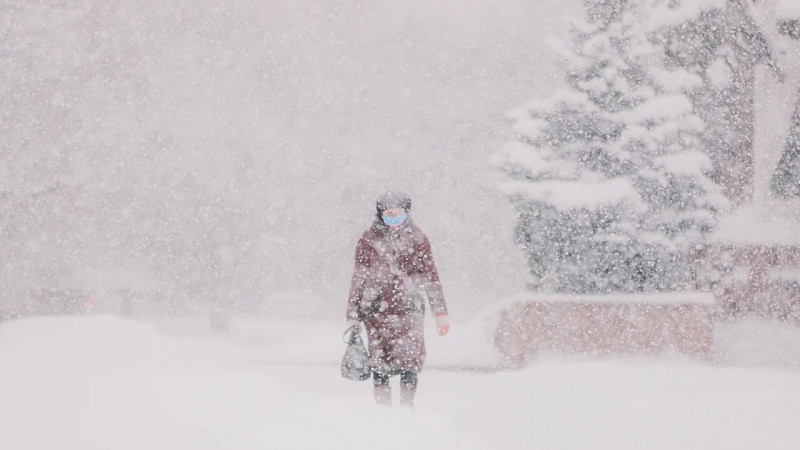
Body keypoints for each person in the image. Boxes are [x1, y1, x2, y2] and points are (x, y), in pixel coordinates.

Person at [345, 191, 450, 408]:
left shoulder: (418, 239)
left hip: (409, 309)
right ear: (381, 214)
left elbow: (431, 276)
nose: (394, 217)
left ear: (407, 213)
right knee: (380, 364)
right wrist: (353, 316)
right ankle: (383, 412)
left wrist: (440, 312)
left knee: (410, 362)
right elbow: (359, 278)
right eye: (389, 213)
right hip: (376, 311)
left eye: (399, 213)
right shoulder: (368, 240)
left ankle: (406, 409)